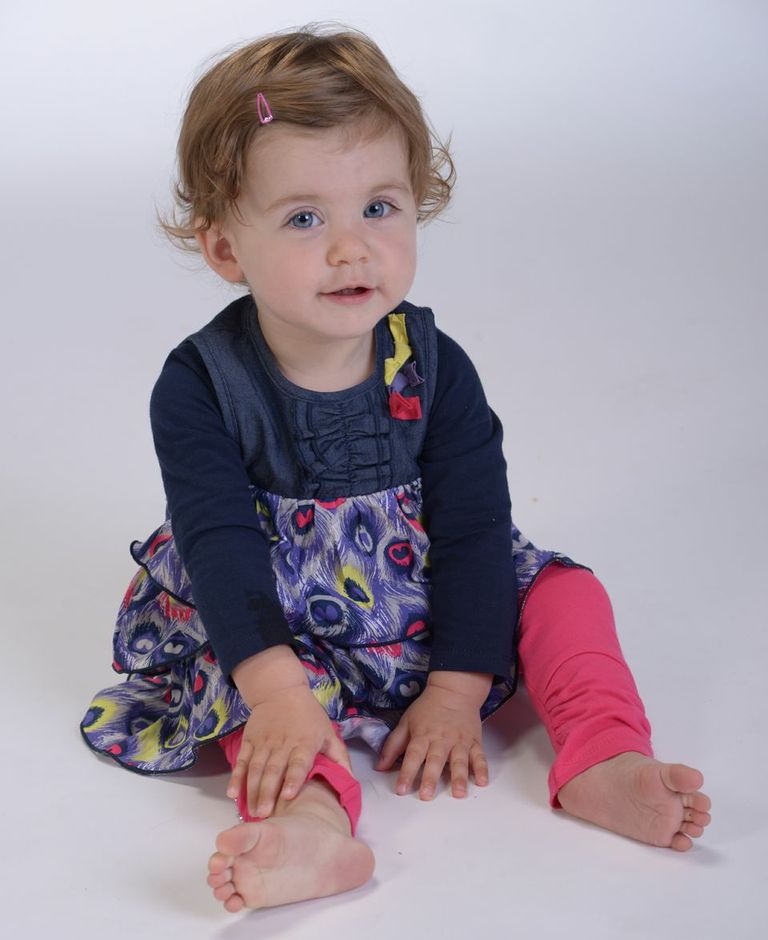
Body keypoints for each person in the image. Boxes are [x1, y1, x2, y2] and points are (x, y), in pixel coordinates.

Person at [80, 24, 711, 914]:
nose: (352, 248)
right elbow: (218, 543)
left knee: (568, 595)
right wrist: (278, 692)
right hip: (279, 618)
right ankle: (311, 824)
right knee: (249, 697)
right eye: (305, 218)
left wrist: (457, 686)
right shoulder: (200, 384)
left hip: (433, 592)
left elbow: (475, 525)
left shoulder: (434, 363)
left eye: (378, 207)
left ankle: (602, 753)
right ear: (225, 249)